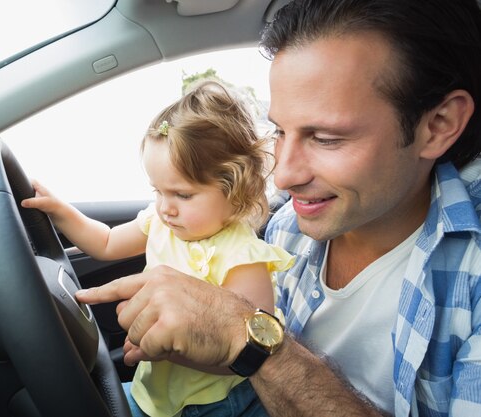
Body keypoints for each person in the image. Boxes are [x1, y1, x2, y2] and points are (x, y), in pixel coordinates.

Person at [75, 0, 481, 416]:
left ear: (439, 125)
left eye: (325, 138)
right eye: (280, 131)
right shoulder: (289, 224)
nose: (283, 176)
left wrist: (249, 341)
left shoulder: (471, 279)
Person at [22, 80, 294, 417]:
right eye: (157, 191)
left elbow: (244, 357)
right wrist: (59, 211)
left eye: (182, 194)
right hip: (155, 390)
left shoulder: (245, 259)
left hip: (214, 403)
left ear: (235, 188)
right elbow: (106, 243)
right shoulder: (161, 222)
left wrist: (166, 349)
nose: (166, 207)